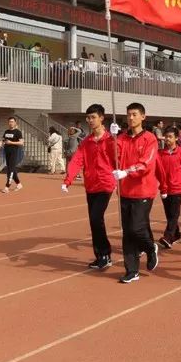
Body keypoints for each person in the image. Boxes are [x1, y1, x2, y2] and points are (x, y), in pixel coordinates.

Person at [63, 104, 116, 270]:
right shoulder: (86, 142)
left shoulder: (111, 139)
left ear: (101, 118)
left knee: (95, 218)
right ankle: (100, 256)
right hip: (91, 185)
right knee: (94, 221)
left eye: (93, 117)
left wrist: (117, 136)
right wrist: (68, 180)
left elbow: (122, 153)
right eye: (88, 118)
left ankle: (105, 253)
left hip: (106, 184)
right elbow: (77, 160)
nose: (90, 121)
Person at [112, 102, 159, 283]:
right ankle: (131, 270)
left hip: (143, 190)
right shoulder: (122, 138)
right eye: (128, 115)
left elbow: (146, 163)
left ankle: (150, 247)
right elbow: (113, 156)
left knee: (137, 228)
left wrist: (127, 171)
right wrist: (112, 137)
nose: (131, 118)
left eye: (134, 114)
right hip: (125, 191)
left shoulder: (150, 139)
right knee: (128, 232)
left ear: (143, 117)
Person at [156, 125, 181, 249]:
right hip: (164, 188)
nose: (167, 139)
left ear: (176, 138)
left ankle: (168, 237)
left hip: (177, 188)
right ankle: (176, 233)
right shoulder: (160, 154)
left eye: (170, 137)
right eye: (166, 136)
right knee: (169, 214)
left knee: (174, 214)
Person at [0, 117, 24, 193]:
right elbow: (2, 141)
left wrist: (11, 143)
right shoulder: (6, 131)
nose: (11, 123)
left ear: (15, 123)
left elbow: (21, 143)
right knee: (12, 169)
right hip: (7, 152)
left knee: (10, 170)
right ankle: (19, 184)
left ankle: (7, 187)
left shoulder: (18, 132)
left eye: (12, 122)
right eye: (10, 122)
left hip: (14, 152)